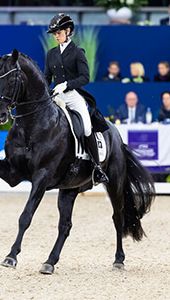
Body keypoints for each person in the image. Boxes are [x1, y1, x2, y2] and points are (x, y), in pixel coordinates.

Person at [44, 13, 109, 184]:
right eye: (54, 34)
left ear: (68, 31)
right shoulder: (51, 54)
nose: (56, 36)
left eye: (59, 33)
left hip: (73, 95)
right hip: (56, 95)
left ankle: (97, 167)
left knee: (87, 128)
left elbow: (85, 77)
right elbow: (46, 77)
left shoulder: (77, 52)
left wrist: (67, 85)